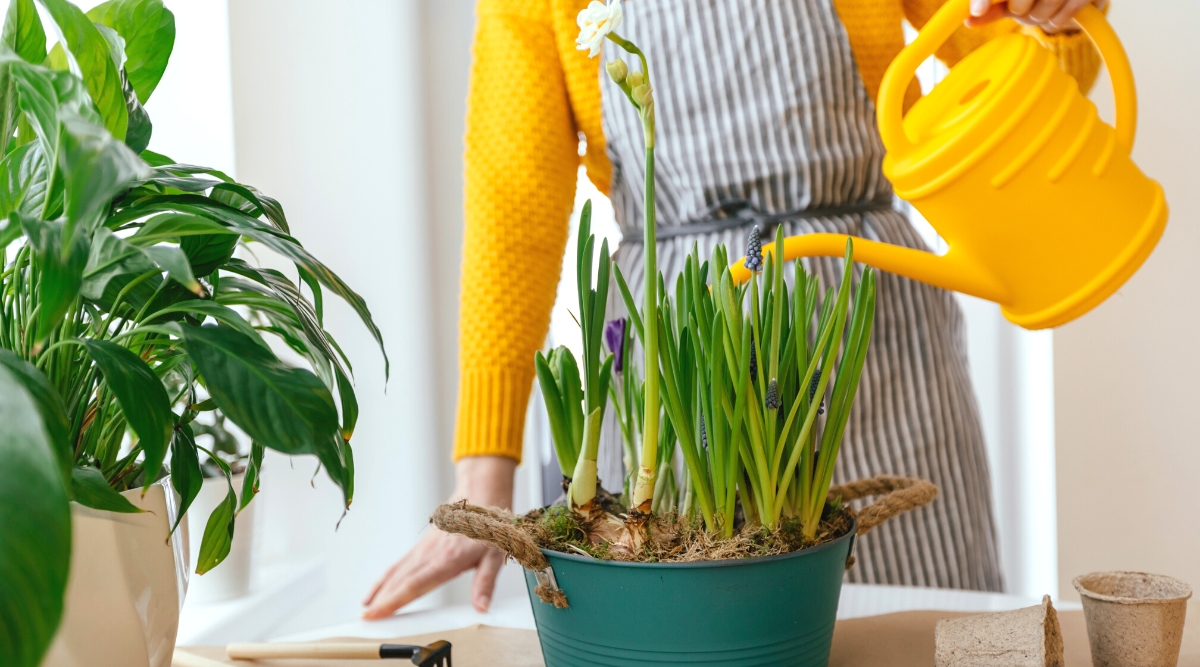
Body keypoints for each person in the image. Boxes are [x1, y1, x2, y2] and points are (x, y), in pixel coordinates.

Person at [362, 0, 1107, 619]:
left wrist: (1057, 21)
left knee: (925, 626)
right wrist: (482, 477)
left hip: (870, 323)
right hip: (677, 344)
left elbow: (1021, 67)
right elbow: (510, 212)